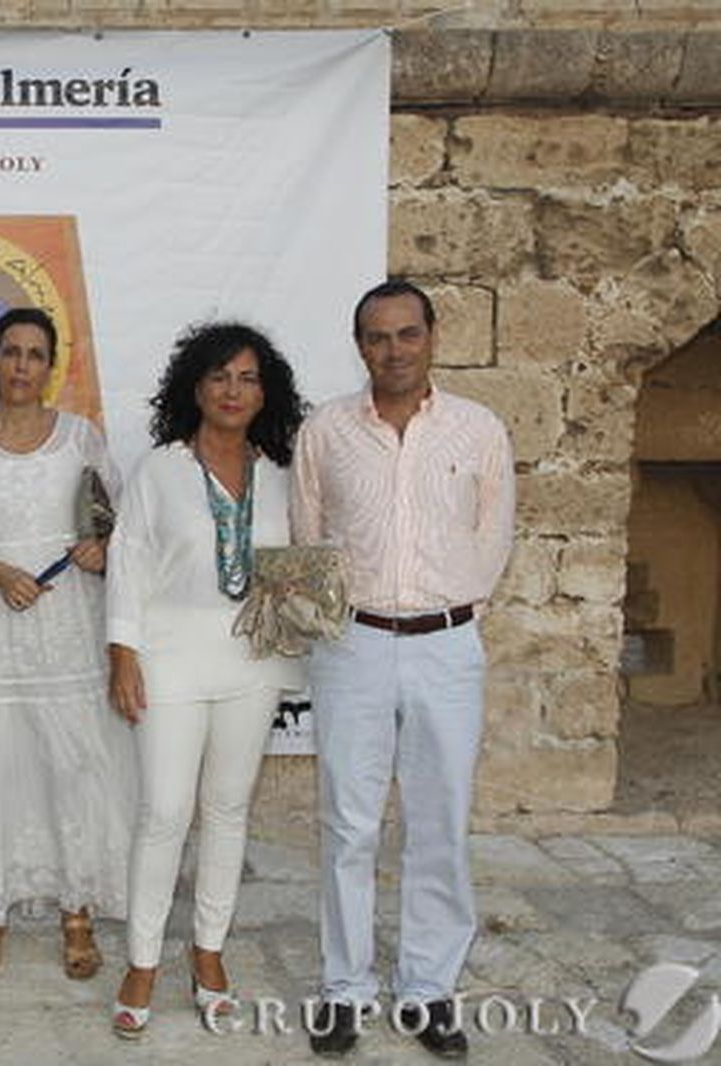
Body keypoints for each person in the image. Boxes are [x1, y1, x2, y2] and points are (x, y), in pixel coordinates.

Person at [293, 281, 514, 1059]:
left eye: (407, 334)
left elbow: (494, 537)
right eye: (378, 338)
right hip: (352, 645)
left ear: (432, 336)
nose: (394, 350)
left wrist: (450, 609)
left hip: (448, 646)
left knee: (439, 822)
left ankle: (427, 992)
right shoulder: (324, 431)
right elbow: (308, 537)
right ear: (360, 346)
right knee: (349, 823)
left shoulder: (478, 429)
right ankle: (343, 989)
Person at [0, 307, 133, 982]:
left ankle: (77, 911)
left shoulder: (81, 439)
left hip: (68, 625)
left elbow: (117, 523)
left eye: (34, 355)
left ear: (51, 365)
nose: (20, 366)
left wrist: (102, 549)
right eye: (9, 352)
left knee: (72, 766)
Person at [106, 322, 307, 1039]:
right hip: (168, 661)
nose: (232, 390)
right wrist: (122, 654)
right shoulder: (159, 470)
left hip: (252, 665)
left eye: (248, 378)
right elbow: (126, 564)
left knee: (227, 809)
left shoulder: (283, 474)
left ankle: (210, 954)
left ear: (266, 392)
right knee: (164, 812)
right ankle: (140, 962)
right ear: (194, 386)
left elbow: (307, 563)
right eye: (219, 376)